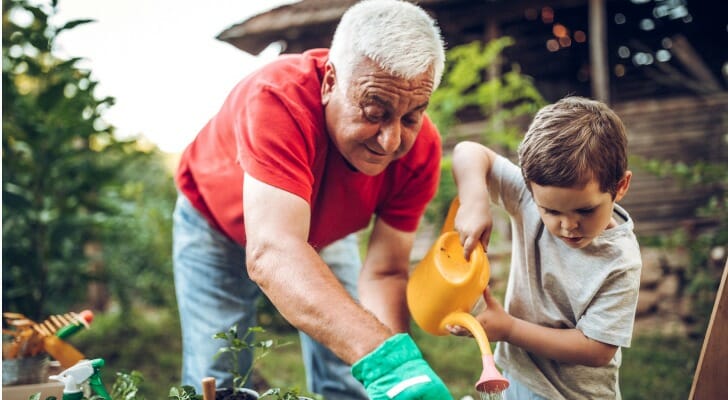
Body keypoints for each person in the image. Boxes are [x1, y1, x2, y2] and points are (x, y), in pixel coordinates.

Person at [173, 0, 452, 399]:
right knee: (218, 374)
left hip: (321, 234)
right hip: (213, 224)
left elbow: (385, 273)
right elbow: (274, 252)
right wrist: (387, 360)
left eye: (411, 117)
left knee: (351, 373)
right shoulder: (277, 100)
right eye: (375, 111)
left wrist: (403, 368)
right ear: (330, 82)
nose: (391, 141)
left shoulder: (420, 151)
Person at [449, 96, 642, 399]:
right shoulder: (528, 197)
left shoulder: (620, 261)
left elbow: (597, 349)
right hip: (514, 376)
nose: (568, 225)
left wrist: (509, 330)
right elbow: (468, 152)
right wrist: (475, 200)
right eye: (551, 212)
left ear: (620, 186)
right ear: (530, 188)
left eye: (585, 211)